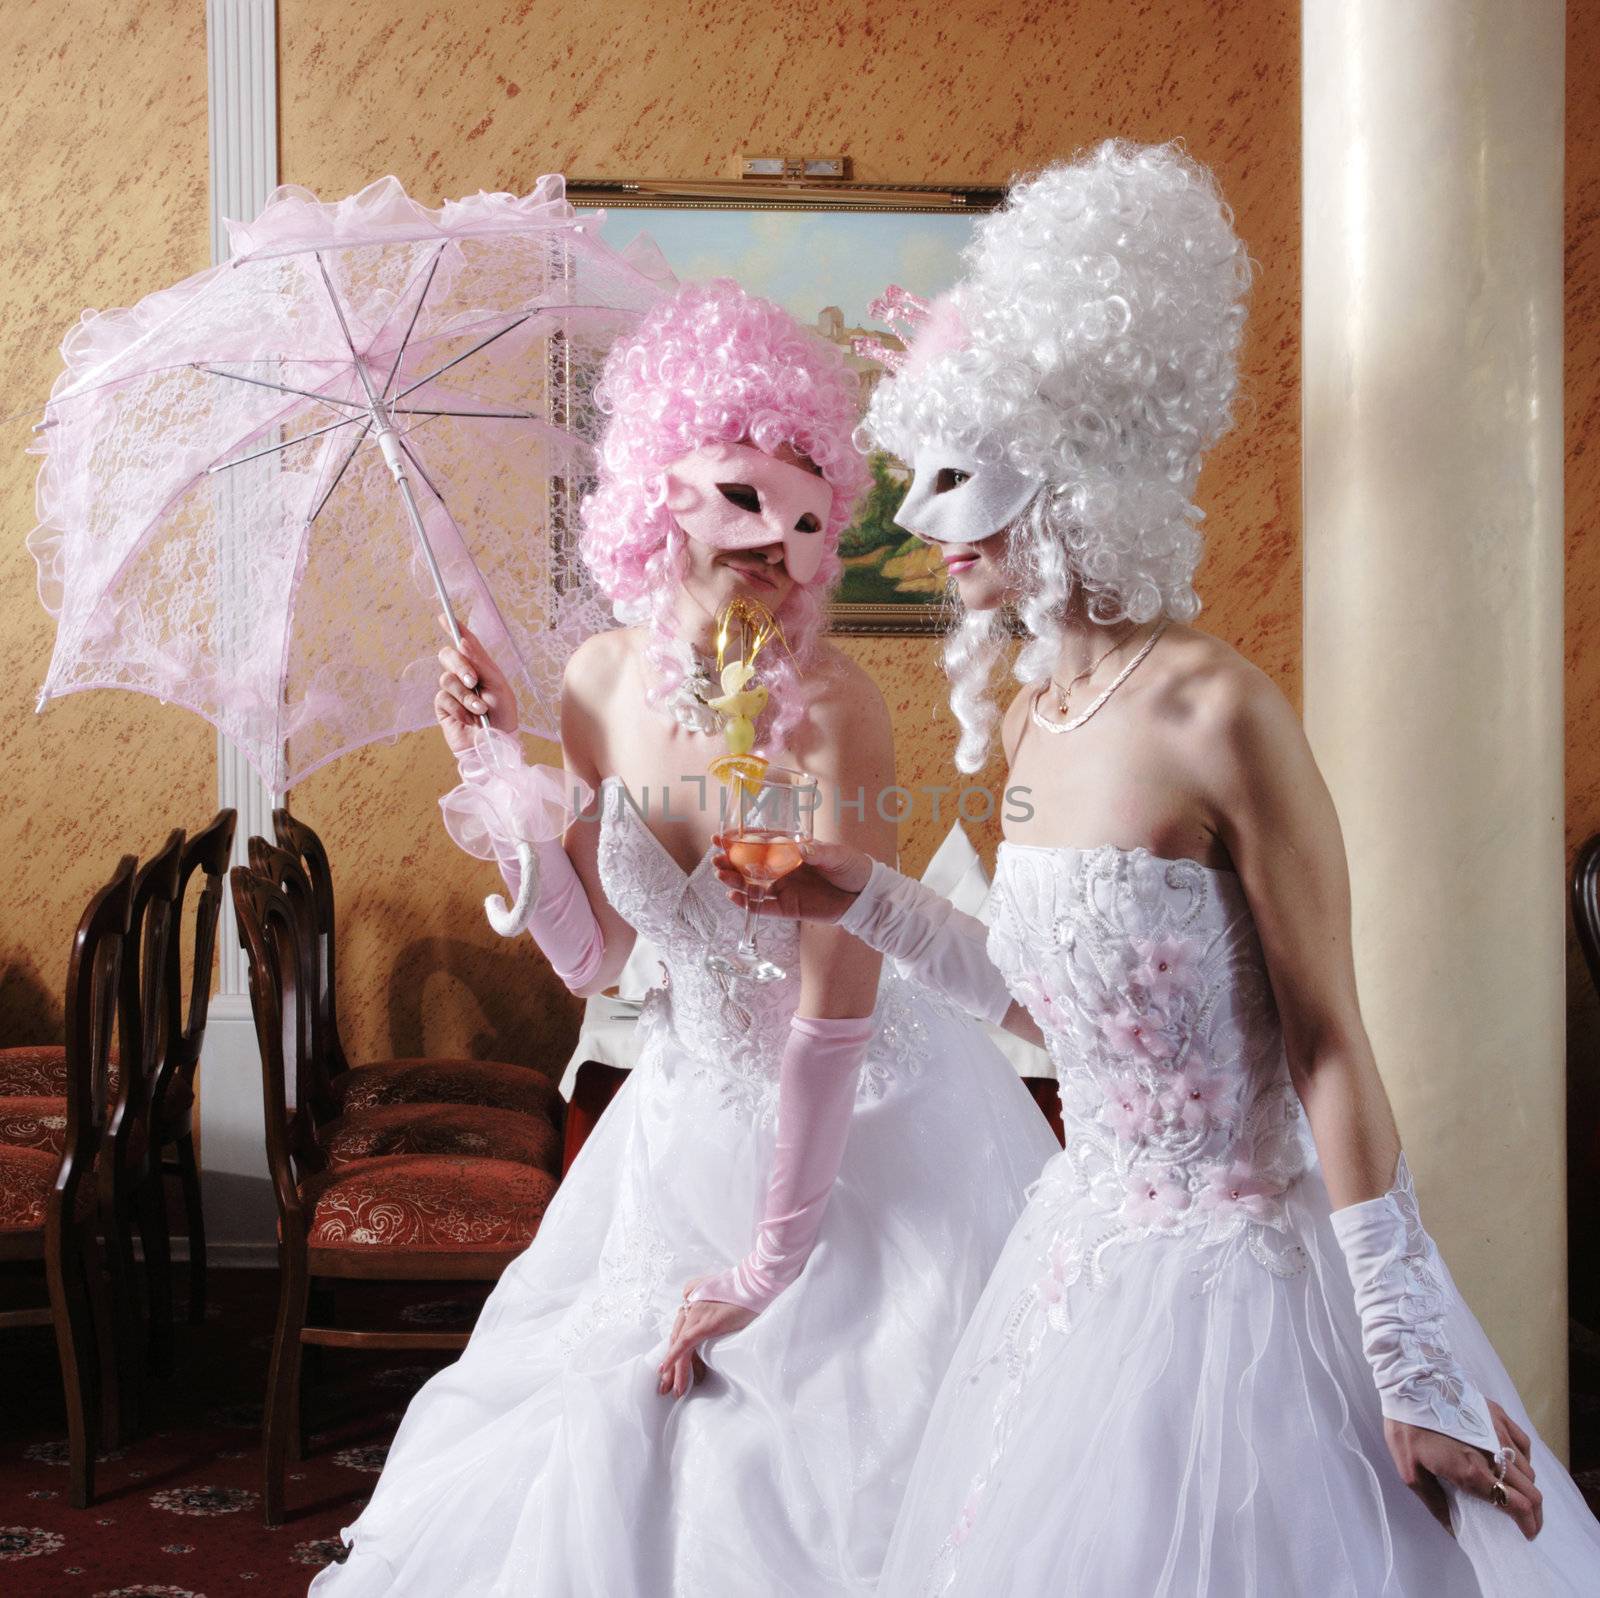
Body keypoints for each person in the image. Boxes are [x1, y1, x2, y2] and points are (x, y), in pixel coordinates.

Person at [715, 143, 1600, 1595]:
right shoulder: (1040, 714)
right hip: (1083, 1255)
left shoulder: (1215, 707)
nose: (923, 530)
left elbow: (1328, 1043)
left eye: (962, 482)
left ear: (1072, 473)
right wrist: (848, 890)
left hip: (1254, 1278)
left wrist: (1405, 1348)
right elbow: (1042, 1004)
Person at [311, 278, 1057, 1597]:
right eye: (743, 507)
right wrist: (501, 785)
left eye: (808, 518)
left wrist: (765, 1265)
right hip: (674, 1128)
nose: (780, 547)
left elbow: (833, 1017)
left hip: (864, 1148)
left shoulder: (838, 712)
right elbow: (595, 959)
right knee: (599, 1447)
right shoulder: (598, 680)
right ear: (662, 489)